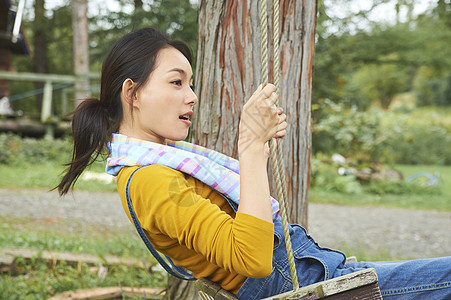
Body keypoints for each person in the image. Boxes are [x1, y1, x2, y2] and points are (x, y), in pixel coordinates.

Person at [57, 27, 451, 299]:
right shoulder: (149, 180)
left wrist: (258, 153)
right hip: (307, 284)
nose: (192, 96)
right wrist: (249, 146)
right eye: (177, 82)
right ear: (133, 93)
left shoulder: (168, 163)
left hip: (316, 272)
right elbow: (253, 259)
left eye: (190, 83)